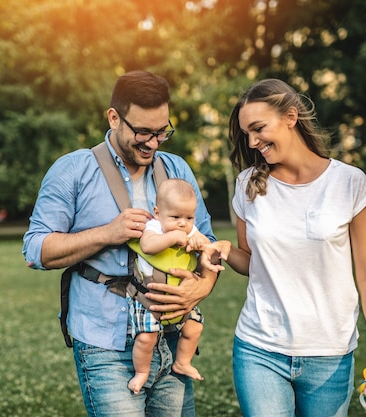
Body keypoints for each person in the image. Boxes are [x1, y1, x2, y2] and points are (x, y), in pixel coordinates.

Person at [22, 70, 219, 417]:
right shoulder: (73, 170)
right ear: (114, 117)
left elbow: (209, 244)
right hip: (104, 343)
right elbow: (36, 250)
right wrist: (107, 233)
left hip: (172, 336)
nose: (154, 143)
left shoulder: (177, 170)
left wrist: (200, 289)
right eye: (143, 132)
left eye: (162, 131)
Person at [201, 78, 366, 416]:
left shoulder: (349, 183)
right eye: (246, 133)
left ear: (290, 117)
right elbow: (251, 262)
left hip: (330, 354)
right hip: (260, 348)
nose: (252, 141)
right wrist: (226, 250)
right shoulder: (248, 185)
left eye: (258, 128)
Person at [128, 178, 208, 394]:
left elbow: (206, 245)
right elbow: (148, 245)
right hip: (149, 300)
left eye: (189, 217)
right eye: (175, 217)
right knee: (146, 338)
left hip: (179, 300)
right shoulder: (153, 227)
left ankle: (182, 361)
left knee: (195, 327)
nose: (183, 223)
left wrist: (200, 243)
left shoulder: (189, 230)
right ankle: (142, 372)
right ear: (157, 212)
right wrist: (172, 236)